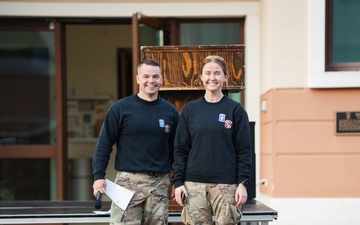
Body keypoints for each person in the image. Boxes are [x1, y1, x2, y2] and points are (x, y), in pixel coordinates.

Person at [92, 58, 179, 225]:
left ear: (161, 79)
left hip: (159, 184)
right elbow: (104, 144)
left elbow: (177, 150)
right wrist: (98, 176)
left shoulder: (170, 112)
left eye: (155, 76)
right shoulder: (120, 109)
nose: (151, 81)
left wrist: (178, 180)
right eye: (146, 76)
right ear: (138, 78)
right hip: (127, 185)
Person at [172, 55, 252, 225]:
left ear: (225, 77)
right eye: (207, 73)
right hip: (194, 186)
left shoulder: (235, 110)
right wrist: (178, 182)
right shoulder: (190, 110)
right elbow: (180, 149)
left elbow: (244, 150)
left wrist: (242, 183)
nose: (212, 78)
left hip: (227, 186)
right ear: (201, 77)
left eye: (217, 73)